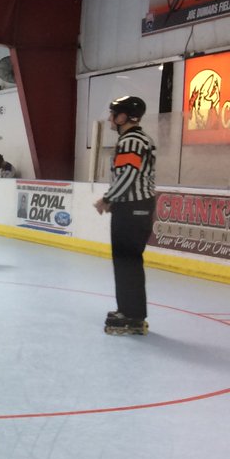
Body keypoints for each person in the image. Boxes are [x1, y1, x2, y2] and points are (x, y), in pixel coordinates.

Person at [94, 95, 156, 335]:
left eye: (113, 113)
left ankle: (132, 315)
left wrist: (108, 199)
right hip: (135, 206)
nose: (110, 118)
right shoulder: (139, 139)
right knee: (128, 261)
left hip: (132, 208)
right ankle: (130, 310)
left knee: (127, 261)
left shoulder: (131, 141)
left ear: (125, 117)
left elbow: (128, 176)